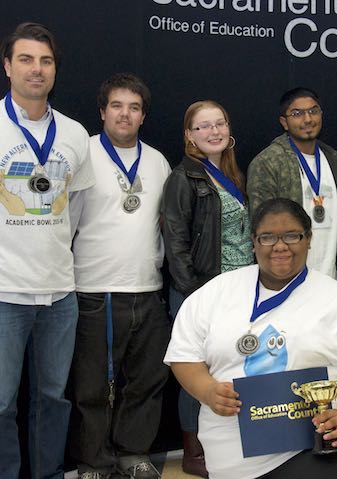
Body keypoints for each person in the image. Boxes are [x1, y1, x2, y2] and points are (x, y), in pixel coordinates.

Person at [164, 198, 337, 479]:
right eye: (267, 237)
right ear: (253, 242)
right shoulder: (214, 293)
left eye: (292, 235)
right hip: (232, 448)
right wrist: (207, 391)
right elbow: (184, 355)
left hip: (320, 442)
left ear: (309, 240)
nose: (280, 246)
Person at [0, 23, 94, 479]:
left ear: (55, 70)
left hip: (60, 293)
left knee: (53, 399)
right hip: (3, 293)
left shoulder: (75, 134)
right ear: (7, 66)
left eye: (46, 61)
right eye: (26, 59)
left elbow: (74, 210)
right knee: (0, 403)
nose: (36, 70)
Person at [67, 73, 171, 479]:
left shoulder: (158, 160)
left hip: (147, 287)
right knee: (92, 388)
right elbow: (66, 222)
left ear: (143, 116)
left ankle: (134, 454)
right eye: (116, 105)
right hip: (95, 289)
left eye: (133, 107)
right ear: (102, 112)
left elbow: (163, 223)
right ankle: (93, 461)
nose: (124, 114)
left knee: (146, 381)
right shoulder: (83, 154)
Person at [161, 100, 254, 477]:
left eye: (219, 124)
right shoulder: (183, 178)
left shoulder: (232, 174)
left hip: (240, 290)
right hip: (200, 293)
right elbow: (176, 244)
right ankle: (194, 451)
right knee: (195, 375)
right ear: (189, 135)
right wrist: (197, 295)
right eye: (203, 126)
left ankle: (231, 443)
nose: (213, 132)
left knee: (232, 367)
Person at [247, 87, 337, 279]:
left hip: (331, 279)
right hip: (288, 278)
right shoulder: (268, 163)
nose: (308, 119)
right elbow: (262, 228)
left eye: (313, 111)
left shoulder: (335, 161)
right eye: (297, 113)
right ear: (284, 122)